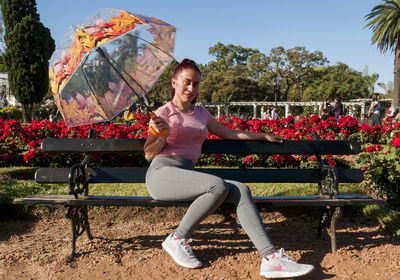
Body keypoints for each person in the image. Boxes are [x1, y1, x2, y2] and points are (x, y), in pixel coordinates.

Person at [143, 59, 315, 279]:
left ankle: (271, 259)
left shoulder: (201, 114)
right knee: (217, 185)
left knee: (240, 189)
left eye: (196, 84)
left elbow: (230, 134)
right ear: (174, 82)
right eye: (187, 82)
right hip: (162, 175)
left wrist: (262, 135)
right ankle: (177, 239)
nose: (191, 89)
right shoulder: (162, 114)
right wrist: (162, 135)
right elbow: (149, 154)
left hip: (186, 175)